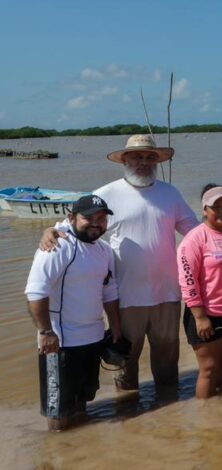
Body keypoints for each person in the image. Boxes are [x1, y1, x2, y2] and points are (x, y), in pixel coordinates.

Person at [39, 133, 198, 392]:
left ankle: (171, 415)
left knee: (168, 364)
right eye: (136, 157)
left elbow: (196, 233)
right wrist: (49, 231)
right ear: (125, 160)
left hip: (167, 294)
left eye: (150, 157)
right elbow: (72, 225)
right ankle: (127, 413)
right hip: (123, 297)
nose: (143, 162)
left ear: (157, 161)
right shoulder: (106, 194)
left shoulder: (171, 193)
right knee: (124, 364)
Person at [26, 194, 121, 431]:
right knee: (58, 410)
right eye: (89, 217)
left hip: (93, 338)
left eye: (101, 218)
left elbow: (109, 292)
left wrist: (116, 327)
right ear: (71, 217)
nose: (96, 223)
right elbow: (36, 292)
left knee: (82, 401)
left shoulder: (104, 250)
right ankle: (59, 453)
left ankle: (82, 452)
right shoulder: (58, 246)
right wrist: (46, 332)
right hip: (60, 343)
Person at [177, 185, 222, 399]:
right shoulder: (194, 239)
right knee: (208, 368)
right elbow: (187, 280)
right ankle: (206, 421)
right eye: (216, 207)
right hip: (206, 315)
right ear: (204, 210)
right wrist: (200, 316)